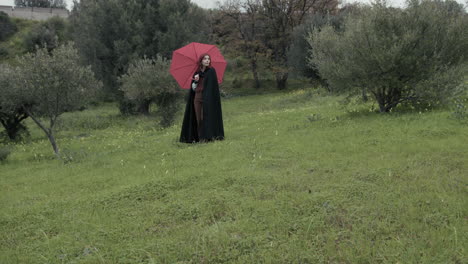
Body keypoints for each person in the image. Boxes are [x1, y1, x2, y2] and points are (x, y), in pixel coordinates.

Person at [179, 54, 224, 143]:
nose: (207, 61)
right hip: (198, 97)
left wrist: (208, 96)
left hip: (208, 98)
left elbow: (212, 88)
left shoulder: (211, 71)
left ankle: (208, 137)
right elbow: (193, 89)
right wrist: (195, 81)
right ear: (201, 61)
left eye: (208, 59)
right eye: (205, 59)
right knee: (198, 118)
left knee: (206, 117)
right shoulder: (197, 73)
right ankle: (200, 138)